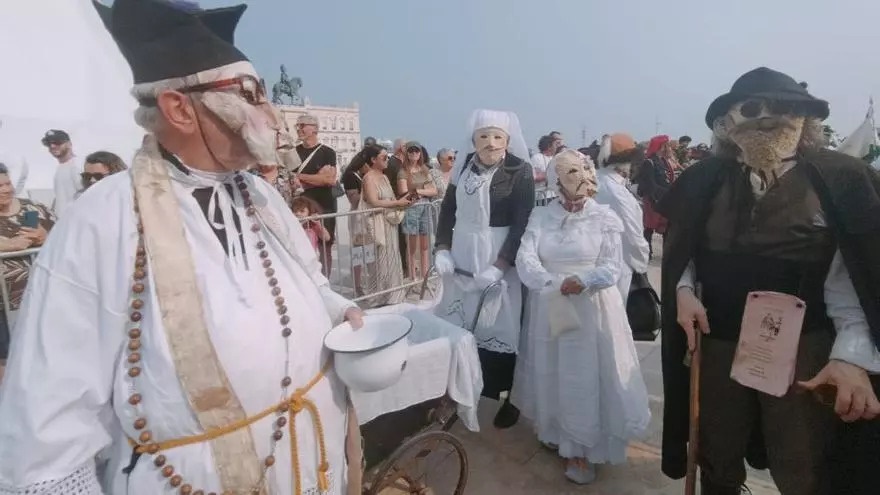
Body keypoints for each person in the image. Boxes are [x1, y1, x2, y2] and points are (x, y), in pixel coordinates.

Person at [0, 1, 366, 494]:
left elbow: (311, 281)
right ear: (178, 109)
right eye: (250, 95)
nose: (271, 114)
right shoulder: (105, 219)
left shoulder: (259, 194)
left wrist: (339, 311)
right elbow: (48, 435)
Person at [659, 67, 880, 495]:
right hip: (717, 338)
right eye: (752, 108)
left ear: (804, 119)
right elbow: (683, 253)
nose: (766, 117)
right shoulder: (704, 179)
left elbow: (851, 282)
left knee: (801, 459)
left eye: (783, 108)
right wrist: (682, 291)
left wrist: (851, 354)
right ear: (728, 121)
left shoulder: (840, 179)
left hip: (804, 346)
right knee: (717, 451)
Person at [512, 149, 650, 484]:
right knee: (554, 371)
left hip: (592, 310)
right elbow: (526, 257)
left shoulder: (604, 217)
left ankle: (582, 447)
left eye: (584, 171)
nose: (582, 180)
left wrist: (584, 281)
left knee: (583, 375)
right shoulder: (541, 216)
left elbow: (611, 267)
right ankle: (558, 432)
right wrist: (549, 283)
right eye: (571, 174)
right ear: (557, 182)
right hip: (552, 304)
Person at [434, 109, 535, 429]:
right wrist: (442, 248)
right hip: (462, 255)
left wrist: (501, 265)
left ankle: (509, 396)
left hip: (497, 253)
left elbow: (522, 222)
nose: (490, 143)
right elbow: (447, 211)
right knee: (462, 322)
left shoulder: (520, 170)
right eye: (484, 136)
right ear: (473, 139)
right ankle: (460, 388)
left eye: (497, 136)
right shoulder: (464, 166)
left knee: (502, 324)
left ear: (507, 139)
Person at [0, 163, 54, 385]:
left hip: (42, 297)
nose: (5, 189)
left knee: (45, 352)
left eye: (7, 183)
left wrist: (46, 237)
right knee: (6, 359)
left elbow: (68, 237)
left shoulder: (35, 209)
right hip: (4, 306)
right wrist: (8, 245)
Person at [594, 133, 650, 300]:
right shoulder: (618, 194)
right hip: (618, 268)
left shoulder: (594, 180)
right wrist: (642, 262)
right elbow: (634, 237)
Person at [358, 144, 411, 308]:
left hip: (389, 223)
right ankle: (377, 298)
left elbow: (390, 199)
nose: (387, 160)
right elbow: (373, 201)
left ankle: (393, 295)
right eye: (384, 157)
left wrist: (403, 201)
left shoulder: (384, 177)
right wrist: (397, 203)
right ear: (373, 160)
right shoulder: (369, 178)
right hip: (377, 224)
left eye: (387, 157)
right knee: (379, 263)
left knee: (392, 259)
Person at [295, 114, 338, 276]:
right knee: (301, 244)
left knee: (325, 244)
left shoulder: (327, 152)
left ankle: (325, 281)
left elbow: (329, 180)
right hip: (300, 206)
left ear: (314, 129)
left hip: (324, 204)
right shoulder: (294, 152)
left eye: (302, 125)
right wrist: (317, 177)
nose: (298, 129)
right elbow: (289, 179)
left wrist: (300, 177)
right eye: (297, 126)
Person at [398, 141, 438, 282]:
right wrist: (423, 191)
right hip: (411, 209)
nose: (414, 153)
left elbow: (434, 190)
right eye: (411, 151)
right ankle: (413, 277)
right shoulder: (403, 172)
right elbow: (403, 192)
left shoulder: (424, 169)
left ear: (420, 153)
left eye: (416, 151)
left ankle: (425, 275)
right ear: (407, 153)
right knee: (412, 246)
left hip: (424, 207)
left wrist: (417, 191)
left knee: (425, 245)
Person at [637, 134, 679, 259]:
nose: (670, 148)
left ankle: (667, 253)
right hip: (653, 199)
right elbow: (650, 184)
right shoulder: (649, 162)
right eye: (667, 146)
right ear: (662, 147)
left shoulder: (664, 161)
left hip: (664, 199)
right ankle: (647, 252)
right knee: (649, 227)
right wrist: (666, 193)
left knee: (666, 228)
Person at [41, 129, 82, 216]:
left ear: (69, 144)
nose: (52, 146)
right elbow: (61, 197)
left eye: (57, 142)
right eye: (48, 144)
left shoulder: (77, 166)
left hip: (73, 220)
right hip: (61, 220)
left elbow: (86, 196)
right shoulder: (61, 167)